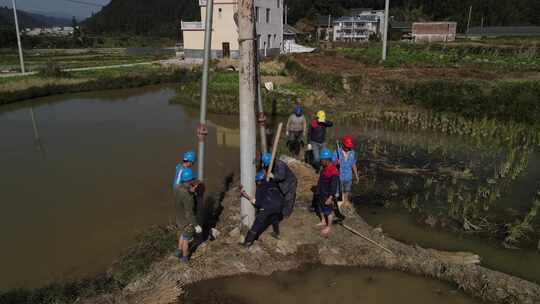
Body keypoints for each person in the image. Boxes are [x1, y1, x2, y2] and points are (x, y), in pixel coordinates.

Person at [240, 171, 284, 247]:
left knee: (256, 225)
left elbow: (258, 203)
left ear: (258, 181)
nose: (256, 183)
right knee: (274, 218)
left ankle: (247, 243)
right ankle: (276, 233)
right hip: (279, 205)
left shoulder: (259, 188)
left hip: (267, 207)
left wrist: (246, 196)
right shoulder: (272, 184)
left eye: (256, 182)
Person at [174, 168, 203, 263]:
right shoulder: (189, 197)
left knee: (182, 234)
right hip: (187, 221)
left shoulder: (178, 188)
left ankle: (178, 251)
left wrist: (191, 190)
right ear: (190, 181)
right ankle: (185, 258)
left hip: (179, 218)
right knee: (186, 239)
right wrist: (195, 225)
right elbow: (189, 213)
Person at [261, 152, 298, 218]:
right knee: (280, 197)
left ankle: (286, 215)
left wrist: (273, 176)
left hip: (290, 182)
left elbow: (281, 176)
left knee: (288, 198)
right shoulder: (270, 165)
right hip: (281, 184)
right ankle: (280, 211)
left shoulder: (280, 164)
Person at [316, 148, 340, 236]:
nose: (321, 161)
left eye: (322, 160)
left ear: (327, 160)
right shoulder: (324, 167)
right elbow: (321, 180)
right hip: (321, 192)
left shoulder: (334, 171)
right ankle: (323, 221)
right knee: (321, 208)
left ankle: (329, 226)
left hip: (327, 195)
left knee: (328, 211)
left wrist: (331, 197)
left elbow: (334, 186)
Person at [333, 135, 360, 209]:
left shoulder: (352, 153)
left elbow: (353, 164)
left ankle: (345, 202)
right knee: (338, 191)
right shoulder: (337, 152)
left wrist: (356, 175)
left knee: (347, 190)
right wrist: (336, 162)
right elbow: (331, 164)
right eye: (347, 147)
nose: (348, 148)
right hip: (339, 176)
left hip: (348, 176)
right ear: (343, 145)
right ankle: (338, 204)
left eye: (349, 147)